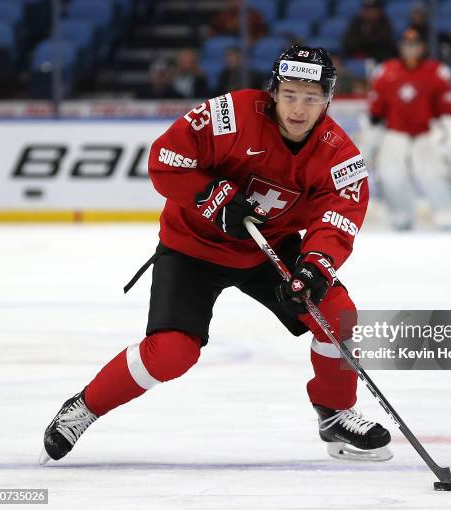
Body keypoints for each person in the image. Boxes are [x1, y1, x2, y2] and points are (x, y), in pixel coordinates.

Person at [39, 45, 393, 465]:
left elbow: (338, 218)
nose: (299, 108)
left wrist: (315, 266)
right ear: (273, 92)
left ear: (328, 100)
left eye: (312, 97)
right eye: (290, 94)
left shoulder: (339, 155)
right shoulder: (232, 115)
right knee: (172, 352)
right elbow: (165, 160)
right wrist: (211, 197)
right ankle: (84, 407)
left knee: (335, 313)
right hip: (193, 245)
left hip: (268, 247)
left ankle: (334, 412)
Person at [365, 28, 451, 230]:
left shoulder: (436, 71)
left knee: (434, 176)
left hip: (425, 134)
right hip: (394, 134)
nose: (410, 49)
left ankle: (447, 217)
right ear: (401, 47)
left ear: (422, 47)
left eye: (414, 45)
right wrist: (370, 139)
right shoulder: (385, 71)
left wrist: (449, 129)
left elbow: (446, 106)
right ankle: (401, 219)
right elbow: (375, 111)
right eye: (406, 45)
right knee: (391, 177)